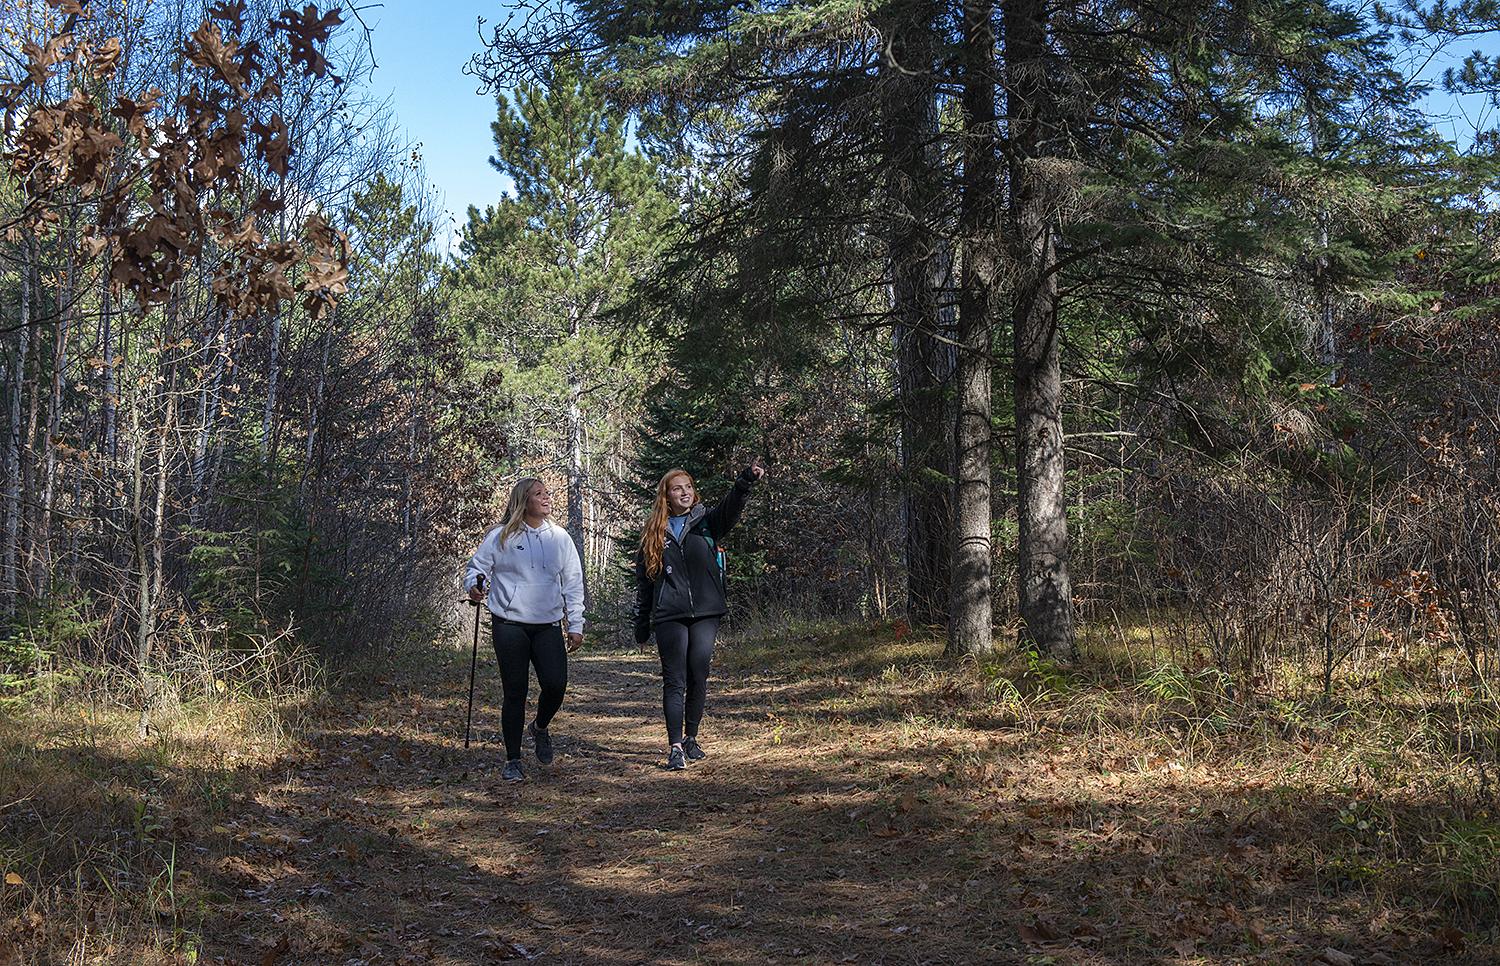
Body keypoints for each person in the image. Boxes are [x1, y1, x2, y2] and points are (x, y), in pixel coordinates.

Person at [634, 462, 765, 770]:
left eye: (689, 487)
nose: (685, 492)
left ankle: (691, 738)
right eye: (678, 488)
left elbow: (731, 509)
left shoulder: (706, 522)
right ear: (666, 495)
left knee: (698, 674)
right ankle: (675, 746)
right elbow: (644, 582)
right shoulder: (654, 532)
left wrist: (745, 481)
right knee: (675, 679)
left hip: (706, 611)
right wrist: (641, 622)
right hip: (669, 614)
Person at [465, 478, 584, 782]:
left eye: (547, 493)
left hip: (547, 625)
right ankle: (512, 759)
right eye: (538, 494)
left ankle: (540, 726)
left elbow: (573, 583)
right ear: (524, 501)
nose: (546, 498)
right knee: (514, 692)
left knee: (556, 685)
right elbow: (477, 568)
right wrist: (474, 587)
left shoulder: (560, 538)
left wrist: (576, 623)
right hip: (509, 623)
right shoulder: (500, 536)